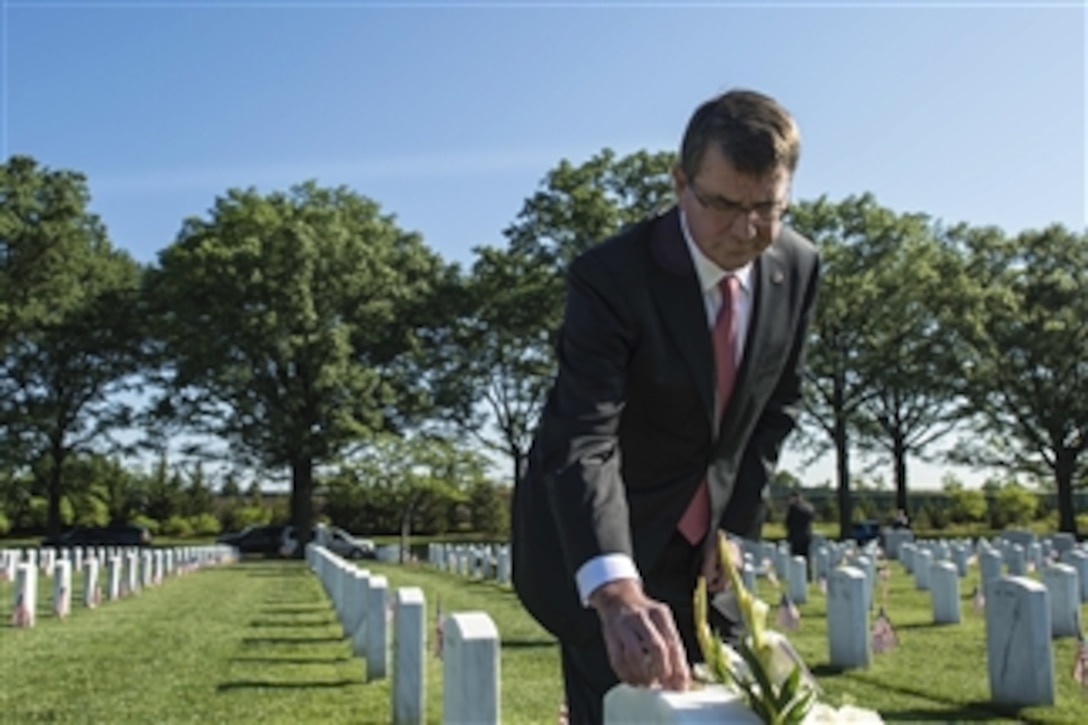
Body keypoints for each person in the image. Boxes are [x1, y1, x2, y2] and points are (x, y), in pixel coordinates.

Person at [511, 88, 821, 724]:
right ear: (681, 182)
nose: (746, 231)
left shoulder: (797, 265)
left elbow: (775, 408)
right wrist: (616, 589)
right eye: (723, 204)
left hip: (706, 561)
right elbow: (584, 437)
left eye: (768, 208)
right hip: (602, 545)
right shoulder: (611, 278)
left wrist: (731, 523)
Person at [784, 491, 815, 559]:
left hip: (796, 536)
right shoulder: (809, 507)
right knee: (806, 555)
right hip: (807, 535)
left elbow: (788, 522)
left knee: (796, 557)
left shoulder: (793, 508)